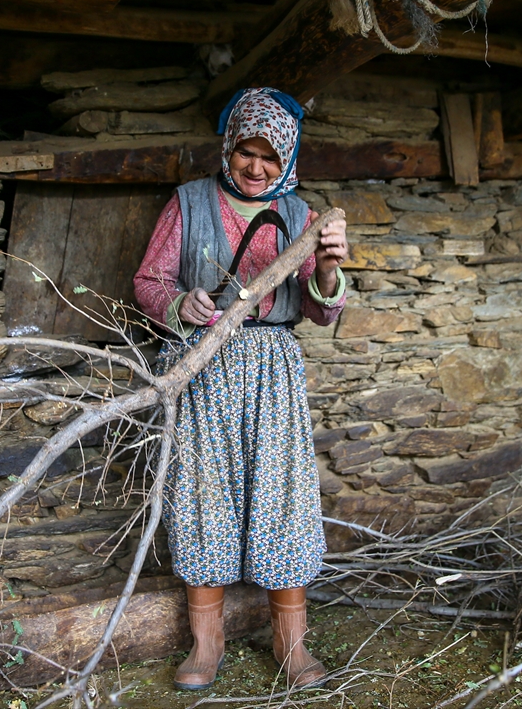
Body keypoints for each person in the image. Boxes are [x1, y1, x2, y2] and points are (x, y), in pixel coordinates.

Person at [133, 87, 348, 690]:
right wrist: (179, 301)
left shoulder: (303, 218)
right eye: (247, 153)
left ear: (288, 159)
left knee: (283, 495)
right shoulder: (189, 203)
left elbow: (323, 312)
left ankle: (291, 642)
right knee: (203, 496)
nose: (257, 167)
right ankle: (207, 643)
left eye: (270, 157)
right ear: (228, 149)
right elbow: (148, 281)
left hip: (273, 369)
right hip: (202, 365)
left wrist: (328, 268)